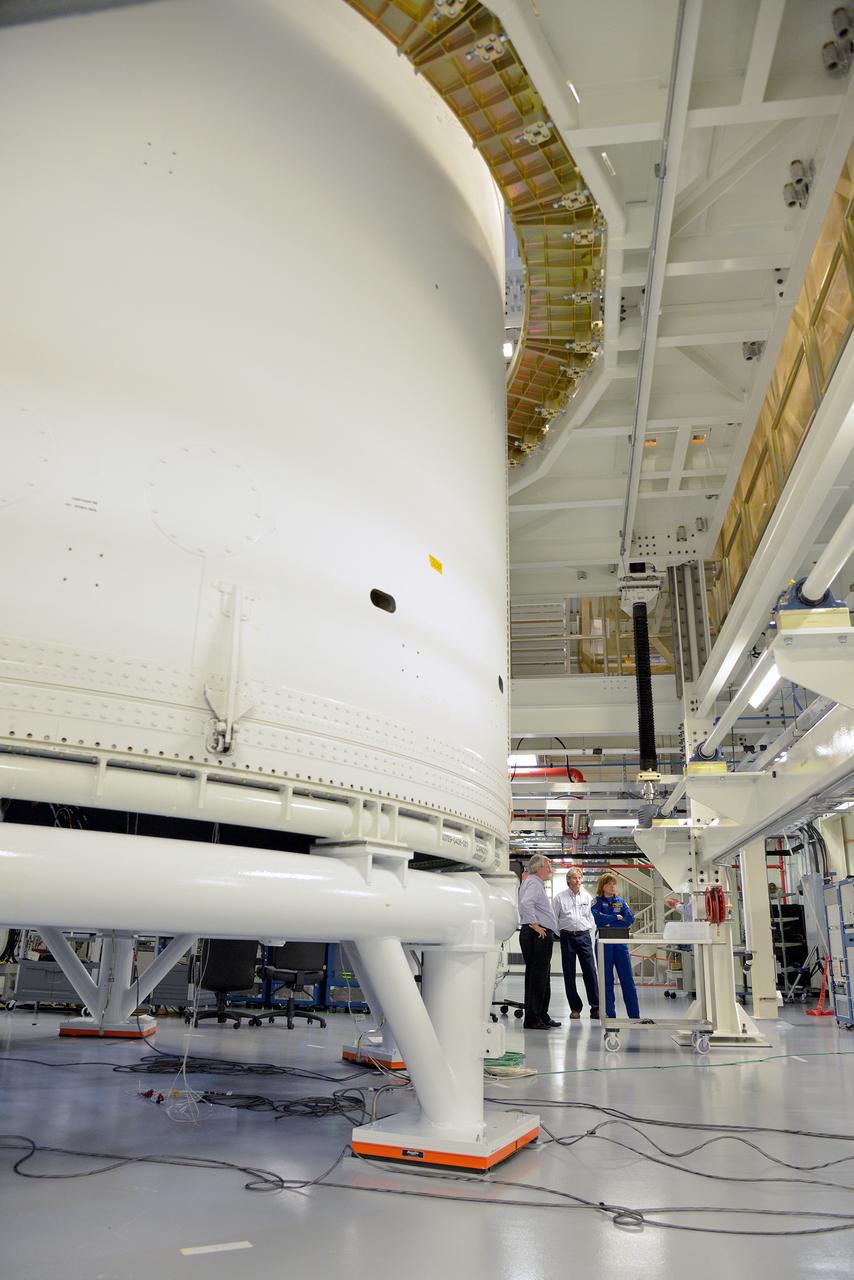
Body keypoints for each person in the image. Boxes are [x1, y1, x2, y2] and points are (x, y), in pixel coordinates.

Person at [517, 854, 561, 1029]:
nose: (550, 869)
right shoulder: (534, 883)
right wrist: (535, 925)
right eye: (548, 866)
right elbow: (526, 903)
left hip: (539, 934)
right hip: (537, 935)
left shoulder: (534, 882)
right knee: (537, 978)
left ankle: (541, 1014)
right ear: (539, 868)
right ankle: (533, 1019)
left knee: (542, 978)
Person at [592, 872, 640, 1020]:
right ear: (602, 886)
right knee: (606, 981)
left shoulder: (620, 901)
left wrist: (610, 922)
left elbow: (629, 919)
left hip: (620, 945)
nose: (613, 886)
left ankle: (634, 1016)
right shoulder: (596, 902)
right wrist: (615, 917)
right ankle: (609, 1016)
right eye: (609, 884)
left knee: (627, 980)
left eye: (614, 884)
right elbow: (598, 920)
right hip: (604, 945)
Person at [554, 866, 599, 1020]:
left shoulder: (587, 897)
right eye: (574, 877)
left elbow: (591, 918)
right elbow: (554, 919)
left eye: (579, 877)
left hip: (584, 938)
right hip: (567, 938)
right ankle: (575, 1008)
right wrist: (561, 932)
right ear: (568, 880)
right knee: (569, 973)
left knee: (591, 972)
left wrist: (586, 929)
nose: (577, 880)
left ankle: (596, 1008)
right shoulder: (559, 898)